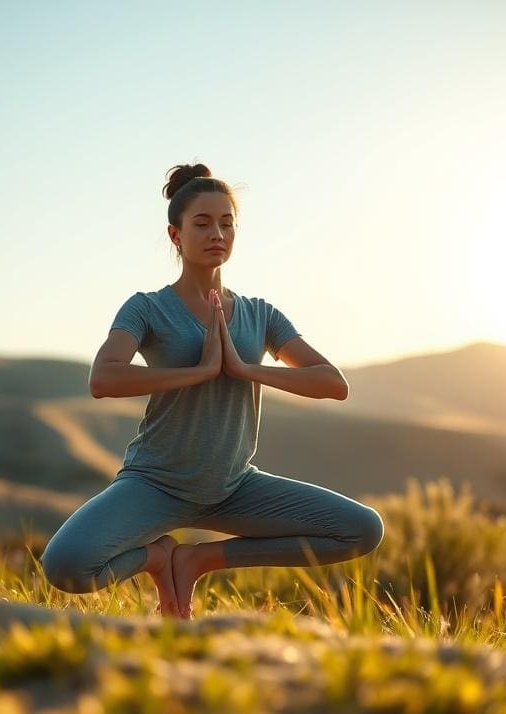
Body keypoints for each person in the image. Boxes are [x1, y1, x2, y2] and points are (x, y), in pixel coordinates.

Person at [40, 162, 384, 619]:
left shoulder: (260, 314)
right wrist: (198, 371)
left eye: (227, 223)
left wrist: (244, 369)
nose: (217, 233)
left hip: (235, 486)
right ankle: (157, 557)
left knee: (361, 530)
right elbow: (104, 378)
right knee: (67, 567)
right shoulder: (147, 309)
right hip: (156, 484)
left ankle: (197, 560)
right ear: (175, 235)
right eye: (202, 223)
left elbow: (332, 383)